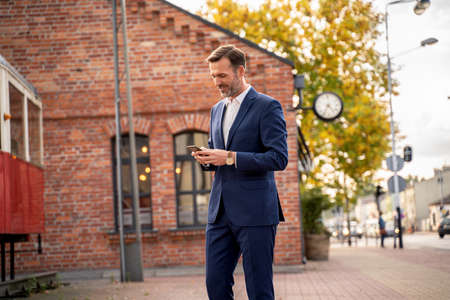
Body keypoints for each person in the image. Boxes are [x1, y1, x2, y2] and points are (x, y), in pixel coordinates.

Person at [192, 44, 288, 300]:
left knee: (259, 290)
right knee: (215, 285)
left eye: (222, 75)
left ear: (240, 71)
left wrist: (231, 157)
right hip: (220, 212)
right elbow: (219, 157)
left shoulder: (267, 106)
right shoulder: (216, 110)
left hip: (256, 212)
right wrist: (208, 158)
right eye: (213, 76)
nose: (217, 82)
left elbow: (278, 158)